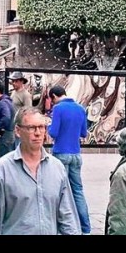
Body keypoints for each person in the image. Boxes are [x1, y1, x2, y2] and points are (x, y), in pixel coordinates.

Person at [0, 108, 80, 235]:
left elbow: (68, 216)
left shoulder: (57, 168)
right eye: (31, 128)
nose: (38, 133)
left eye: (41, 127)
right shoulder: (2, 169)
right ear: (18, 131)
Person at [48, 84, 92, 235]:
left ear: (54, 96)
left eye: (52, 100)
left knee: (61, 191)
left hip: (61, 153)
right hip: (76, 154)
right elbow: (84, 133)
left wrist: (48, 126)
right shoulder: (80, 108)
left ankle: (63, 227)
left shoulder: (58, 109)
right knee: (78, 191)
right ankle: (85, 228)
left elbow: (54, 132)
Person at [0, 80, 15, 160]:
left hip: (6, 135)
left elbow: (6, 117)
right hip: (8, 134)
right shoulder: (6, 101)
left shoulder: (3, 102)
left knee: (3, 159)